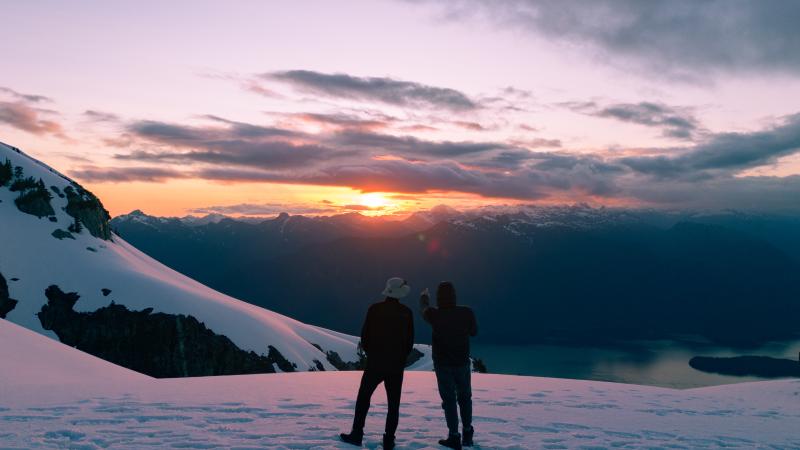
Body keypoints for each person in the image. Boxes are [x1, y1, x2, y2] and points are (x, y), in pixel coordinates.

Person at [340, 277, 415, 449]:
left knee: (364, 397)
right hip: (396, 365)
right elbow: (410, 341)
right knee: (393, 403)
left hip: (376, 363)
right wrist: (400, 357)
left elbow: (365, 337)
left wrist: (372, 354)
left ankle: (357, 434)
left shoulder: (375, 309)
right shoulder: (407, 312)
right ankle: (389, 440)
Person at [420, 281, 478, 449]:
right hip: (462, 362)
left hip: (443, 364)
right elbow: (474, 332)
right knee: (465, 398)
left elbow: (423, 309)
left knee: (449, 400)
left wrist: (424, 297)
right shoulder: (466, 312)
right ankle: (467, 433)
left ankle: (454, 436)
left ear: (438, 298)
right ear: (454, 295)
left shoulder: (434, 314)